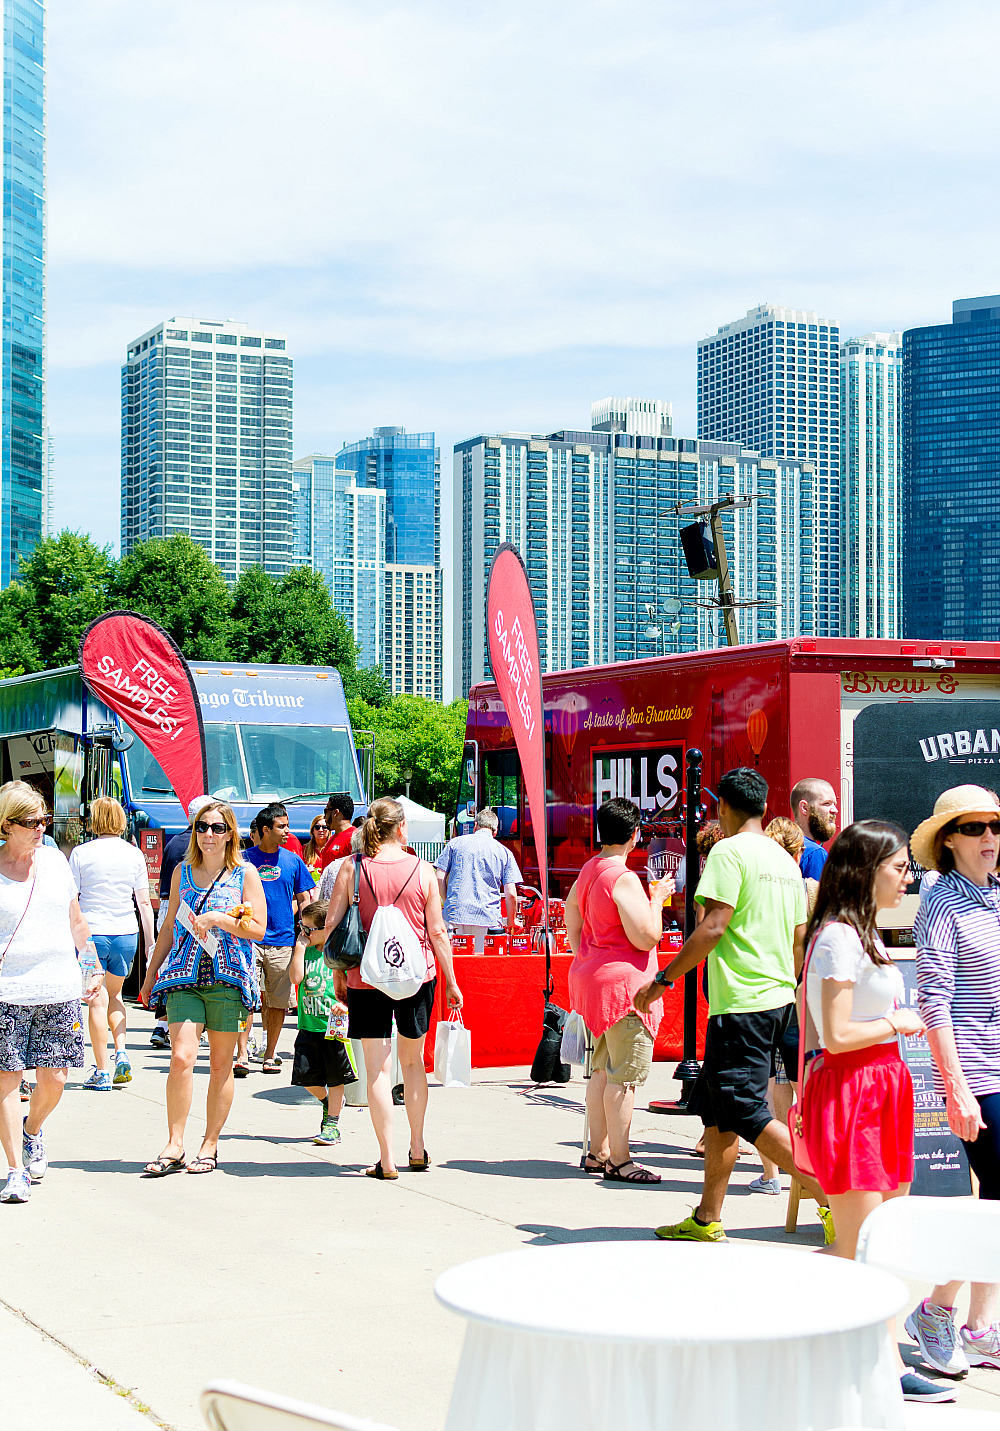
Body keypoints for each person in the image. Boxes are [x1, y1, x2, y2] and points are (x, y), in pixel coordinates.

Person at [635, 766, 825, 1241]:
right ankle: (706, 1219)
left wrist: (663, 979)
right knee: (718, 1112)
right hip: (779, 998)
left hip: (743, 1002)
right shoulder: (785, 859)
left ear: (722, 807)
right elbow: (800, 939)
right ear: (764, 806)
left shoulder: (727, 851)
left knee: (743, 1110)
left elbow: (713, 926)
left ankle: (832, 1195)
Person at [799, 820, 949, 1405]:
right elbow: (835, 1034)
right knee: (864, 1242)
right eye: (898, 866)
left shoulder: (861, 934)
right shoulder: (838, 937)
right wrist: (896, 1023)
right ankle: (875, 1358)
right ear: (866, 871)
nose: (906, 876)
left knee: (883, 1239)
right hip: (855, 1087)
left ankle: (879, 1356)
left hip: (881, 1085)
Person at [906, 786, 1000, 1379]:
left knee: (992, 1203)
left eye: (995, 826)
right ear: (948, 839)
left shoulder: (993, 895)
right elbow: (934, 1001)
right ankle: (936, 1309)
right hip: (976, 1072)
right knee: (990, 1204)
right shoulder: (942, 901)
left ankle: (980, 1327)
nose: (989, 838)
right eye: (974, 828)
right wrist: (956, 1086)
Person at [322, 797, 463, 1180]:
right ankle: (417, 1148)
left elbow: (333, 927)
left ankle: (386, 1159)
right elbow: (437, 931)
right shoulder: (424, 871)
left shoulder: (352, 868)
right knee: (413, 1064)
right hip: (417, 975)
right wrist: (451, 981)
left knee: (377, 1071)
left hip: (366, 978)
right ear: (402, 828)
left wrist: (337, 972)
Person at [139, 801, 266, 1175]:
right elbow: (167, 928)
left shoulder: (245, 874)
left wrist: (220, 919)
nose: (208, 834)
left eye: (216, 827)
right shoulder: (182, 872)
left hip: (228, 978)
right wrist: (149, 977)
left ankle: (209, 1144)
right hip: (183, 976)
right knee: (181, 1058)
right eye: (201, 827)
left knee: (221, 1064)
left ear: (230, 833)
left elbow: (258, 928)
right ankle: (174, 1144)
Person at [0, 782, 101, 1203]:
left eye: (44, 819)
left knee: (56, 1079)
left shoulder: (56, 861)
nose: (42, 827)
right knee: (6, 1079)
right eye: (31, 821)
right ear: (6, 825)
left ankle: (32, 1130)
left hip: (58, 987)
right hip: (7, 989)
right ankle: (15, 1171)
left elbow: (76, 919)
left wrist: (90, 967)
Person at [564, 797, 673, 1182]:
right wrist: (657, 900)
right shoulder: (622, 876)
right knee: (623, 1077)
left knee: (601, 1071)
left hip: (595, 983)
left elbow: (569, 913)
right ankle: (621, 1160)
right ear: (635, 835)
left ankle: (598, 1152)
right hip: (624, 989)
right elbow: (647, 937)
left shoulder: (590, 869)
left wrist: (586, 952)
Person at [70, 797, 155, 1090]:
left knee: (95, 998)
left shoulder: (81, 853)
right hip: (126, 933)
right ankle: (122, 1052)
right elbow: (143, 902)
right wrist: (150, 944)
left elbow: (72, 900)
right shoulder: (134, 855)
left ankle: (102, 1070)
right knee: (115, 995)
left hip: (90, 935)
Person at [239, 803, 315, 1075]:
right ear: (264, 830)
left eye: (287, 825)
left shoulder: (293, 861)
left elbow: (305, 898)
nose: (287, 831)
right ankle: (242, 1053)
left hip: (282, 940)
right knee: (246, 998)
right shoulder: (242, 860)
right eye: (281, 826)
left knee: (277, 1002)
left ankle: (269, 1054)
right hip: (247, 940)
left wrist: (306, 932)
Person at [287, 899, 357, 1145]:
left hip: (334, 1028)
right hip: (308, 1025)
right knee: (306, 1078)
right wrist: (299, 947)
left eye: (308, 929)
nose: (303, 933)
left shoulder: (340, 954)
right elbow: (296, 978)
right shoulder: (304, 952)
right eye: (301, 927)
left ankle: (332, 1124)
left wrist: (346, 1006)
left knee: (336, 1078)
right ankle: (328, 1102)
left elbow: (353, 987)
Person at [150, 795, 215, 1050]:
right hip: (185, 907)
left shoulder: (173, 841)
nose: (209, 834)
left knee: (170, 965)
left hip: (168, 903)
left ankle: (164, 1025)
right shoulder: (190, 847)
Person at [434, 808, 522, 952]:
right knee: (481, 966)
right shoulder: (504, 852)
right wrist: (511, 920)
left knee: (454, 964)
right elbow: (511, 893)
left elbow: (439, 877)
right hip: (487, 918)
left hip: (455, 916)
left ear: (475, 825)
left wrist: (449, 902)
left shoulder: (455, 843)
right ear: (495, 831)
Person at [790, 777, 838, 881]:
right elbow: (817, 897)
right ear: (804, 807)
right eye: (827, 803)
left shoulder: (778, 846)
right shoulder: (814, 853)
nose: (835, 810)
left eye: (835, 804)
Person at [317, 793, 356, 873]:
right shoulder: (334, 837)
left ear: (336, 812)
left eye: (326, 811)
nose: (324, 816)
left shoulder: (354, 837)